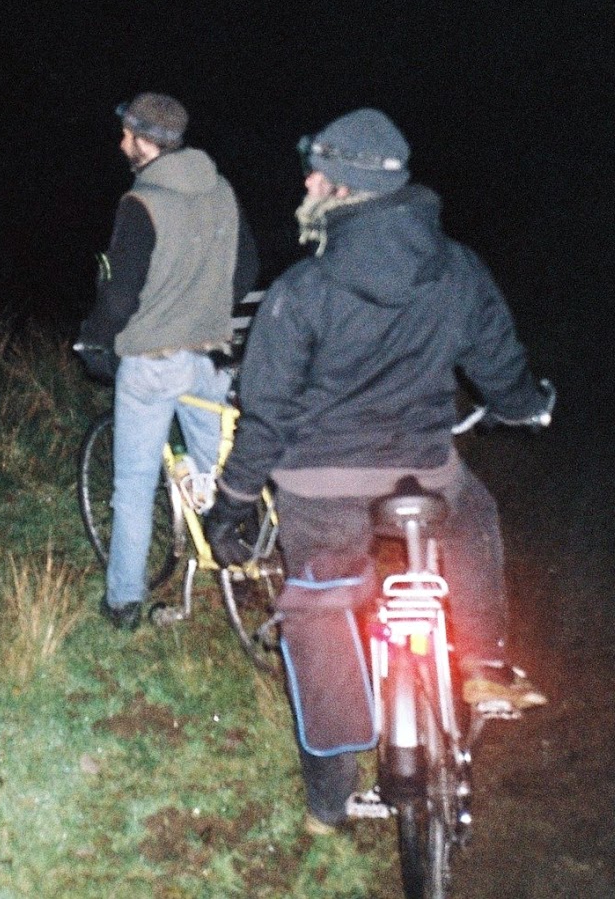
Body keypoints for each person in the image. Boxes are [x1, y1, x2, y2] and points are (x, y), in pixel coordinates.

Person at [203, 107, 553, 834]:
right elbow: (499, 367)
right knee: (473, 515)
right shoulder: (458, 269)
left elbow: (265, 417)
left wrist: (232, 502)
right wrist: (527, 405)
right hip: (420, 474)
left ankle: (329, 802)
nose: (307, 183)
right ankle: (484, 662)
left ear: (342, 187)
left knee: (321, 612)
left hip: (319, 487)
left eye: (316, 174)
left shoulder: (302, 290)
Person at [76, 92, 259, 631]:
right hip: (210, 357)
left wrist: (93, 341)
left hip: (152, 363)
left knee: (134, 486)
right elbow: (246, 266)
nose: (121, 144)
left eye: (127, 135)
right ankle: (242, 576)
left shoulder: (142, 203)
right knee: (220, 475)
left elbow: (120, 297)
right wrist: (206, 309)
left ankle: (124, 601)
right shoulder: (221, 189)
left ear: (144, 140)